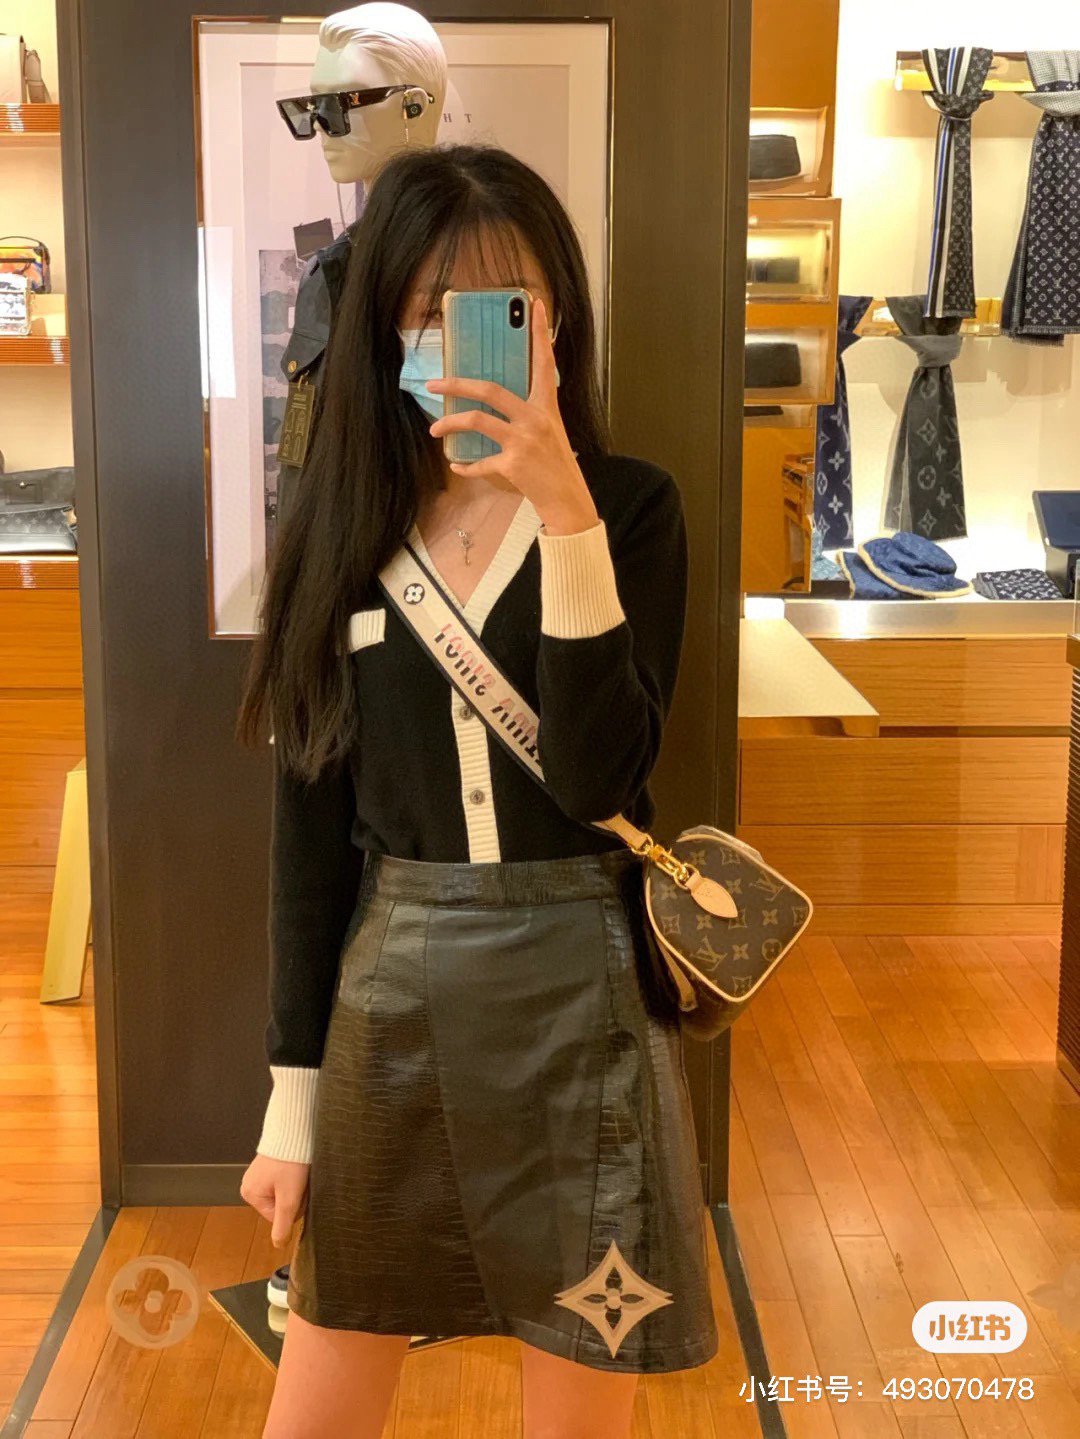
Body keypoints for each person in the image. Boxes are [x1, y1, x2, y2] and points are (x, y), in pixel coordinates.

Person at [236, 142, 718, 1439]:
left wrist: (564, 512)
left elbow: (603, 777)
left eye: (509, 308)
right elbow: (306, 845)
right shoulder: (337, 537)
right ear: (386, 330)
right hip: (391, 1005)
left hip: (585, 1007)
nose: (467, 342)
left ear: (556, 323)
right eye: (430, 312)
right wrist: (290, 1110)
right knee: (316, 1410)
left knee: (577, 1406)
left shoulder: (632, 512)